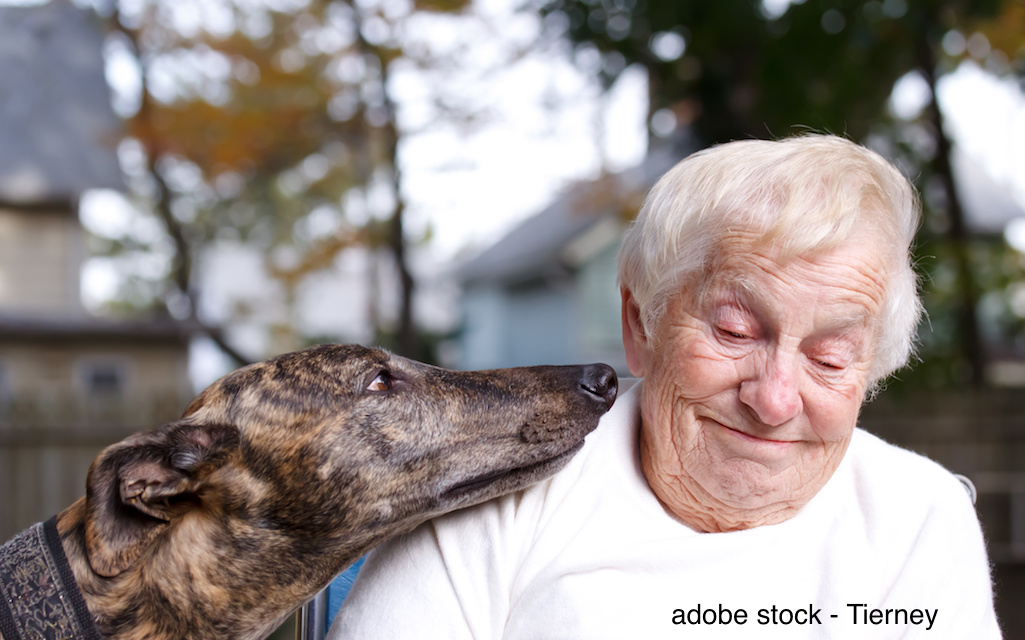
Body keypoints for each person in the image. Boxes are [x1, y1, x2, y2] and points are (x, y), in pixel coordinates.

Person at [327, 135, 1001, 638]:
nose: (772, 401)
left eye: (829, 358)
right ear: (640, 323)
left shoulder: (916, 516)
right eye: (735, 332)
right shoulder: (499, 483)